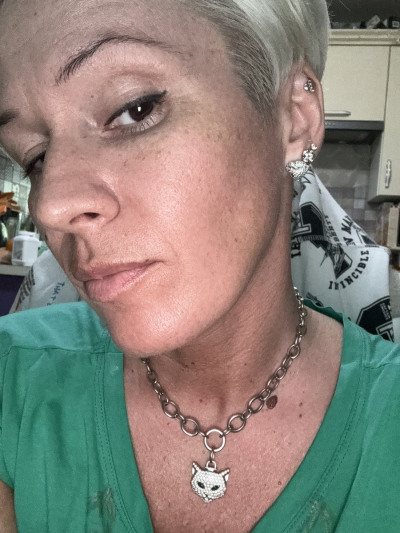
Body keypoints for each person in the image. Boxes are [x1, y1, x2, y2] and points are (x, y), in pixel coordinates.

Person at [0, 1, 399, 531]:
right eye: (36, 158)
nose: (51, 205)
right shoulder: (13, 379)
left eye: (134, 109)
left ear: (294, 118)